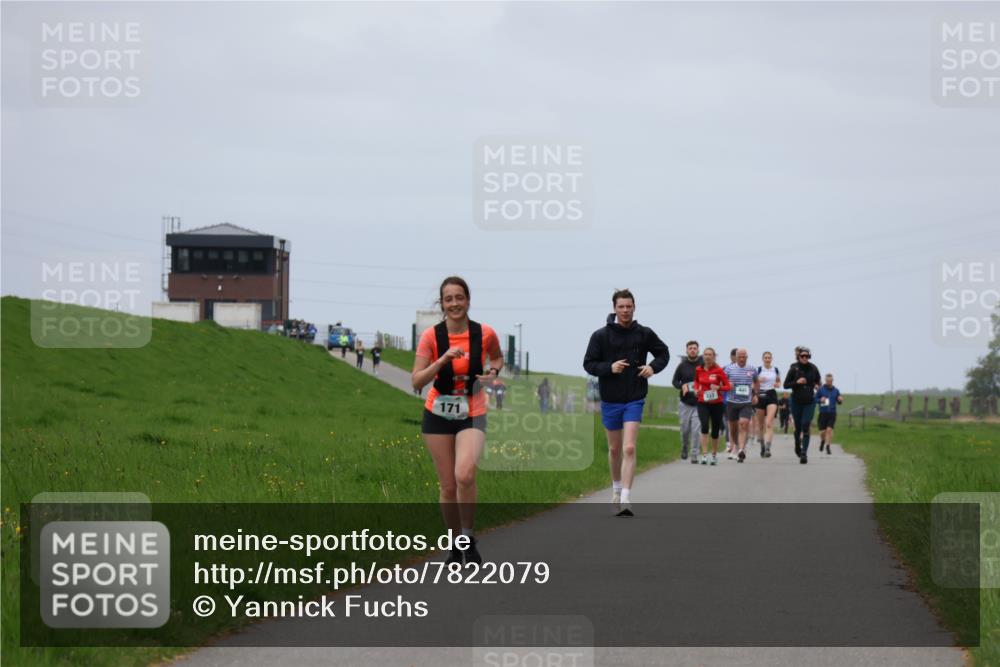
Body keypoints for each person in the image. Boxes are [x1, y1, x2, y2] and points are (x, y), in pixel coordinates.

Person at [412, 276, 503, 565]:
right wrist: (441, 362)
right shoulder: (431, 337)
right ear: (442, 303)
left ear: (468, 300)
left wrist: (492, 372)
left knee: (465, 475)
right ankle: (454, 544)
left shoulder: (484, 333)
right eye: (448, 299)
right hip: (438, 411)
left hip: (473, 408)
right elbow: (416, 380)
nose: (454, 304)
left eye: (459, 297)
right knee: (448, 486)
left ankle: (468, 536)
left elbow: (498, 359)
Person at [583, 289, 670, 516]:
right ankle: (616, 488)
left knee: (629, 447)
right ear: (614, 308)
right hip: (611, 398)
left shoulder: (644, 334)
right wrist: (609, 368)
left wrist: (653, 367)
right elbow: (589, 364)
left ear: (634, 307)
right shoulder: (600, 336)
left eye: (629, 306)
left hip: (635, 396)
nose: (625, 311)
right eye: (621, 307)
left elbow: (663, 353)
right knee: (614, 449)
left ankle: (626, 498)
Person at [784, 346, 822, 464]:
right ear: (799, 357)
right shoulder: (794, 368)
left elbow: (818, 382)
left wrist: (817, 386)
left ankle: (804, 453)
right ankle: (797, 446)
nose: (804, 358)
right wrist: (797, 382)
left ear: (809, 357)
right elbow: (785, 385)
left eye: (806, 356)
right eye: (802, 356)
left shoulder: (814, 368)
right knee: (798, 426)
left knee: (806, 425)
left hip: (809, 402)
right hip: (796, 401)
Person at [694, 347, 731, 466]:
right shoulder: (699, 369)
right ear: (703, 356)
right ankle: (704, 455)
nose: (707, 356)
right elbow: (696, 381)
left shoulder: (719, 370)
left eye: (710, 354)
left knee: (715, 430)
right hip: (702, 402)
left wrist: (719, 388)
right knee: (704, 426)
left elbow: (728, 386)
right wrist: (696, 389)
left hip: (717, 404)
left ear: (714, 356)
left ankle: (714, 455)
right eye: (705, 354)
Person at [724, 348, 759, 463]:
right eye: (740, 357)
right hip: (732, 402)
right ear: (736, 357)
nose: (742, 359)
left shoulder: (752, 369)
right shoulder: (729, 369)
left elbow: (757, 382)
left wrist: (756, 395)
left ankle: (741, 450)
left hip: (746, 402)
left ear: (747, 357)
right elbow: (721, 382)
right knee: (733, 429)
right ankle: (738, 446)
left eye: (744, 357)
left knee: (743, 424)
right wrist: (728, 384)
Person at [671, 340, 703, 464]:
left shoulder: (703, 364)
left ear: (698, 350)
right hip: (685, 403)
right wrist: (682, 386)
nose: (692, 350)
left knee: (696, 430)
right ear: (687, 350)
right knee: (685, 430)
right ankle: (684, 446)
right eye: (690, 348)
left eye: (695, 348)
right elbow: (674, 381)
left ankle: (694, 454)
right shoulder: (682, 365)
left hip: (699, 403)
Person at [753, 351, 781, 458]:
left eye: (769, 357)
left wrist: (777, 384)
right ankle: (762, 446)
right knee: (761, 425)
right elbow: (753, 383)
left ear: (771, 359)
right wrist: (758, 381)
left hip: (771, 395)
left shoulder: (775, 370)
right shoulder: (758, 369)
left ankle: (768, 447)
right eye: (765, 357)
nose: (767, 359)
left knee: (769, 423)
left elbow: (779, 382)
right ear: (763, 359)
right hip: (760, 394)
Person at [816, 374, 844, 454]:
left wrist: (840, 400)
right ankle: (822, 441)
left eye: (830, 381)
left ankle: (828, 446)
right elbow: (815, 399)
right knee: (822, 432)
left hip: (832, 413)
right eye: (828, 381)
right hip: (823, 413)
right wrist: (820, 400)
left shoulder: (836, 390)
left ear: (832, 381)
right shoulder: (821, 390)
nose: (829, 382)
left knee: (829, 430)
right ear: (825, 381)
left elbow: (839, 402)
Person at [723, 348, 738, 458]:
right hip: (727, 399)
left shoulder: (746, 368)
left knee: (740, 424)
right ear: (732, 357)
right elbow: (720, 382)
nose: (738, 358)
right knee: (729, 423)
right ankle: (730, 445)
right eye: (736, 356)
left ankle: (737, 446)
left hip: (742, 400)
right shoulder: (726, 368)